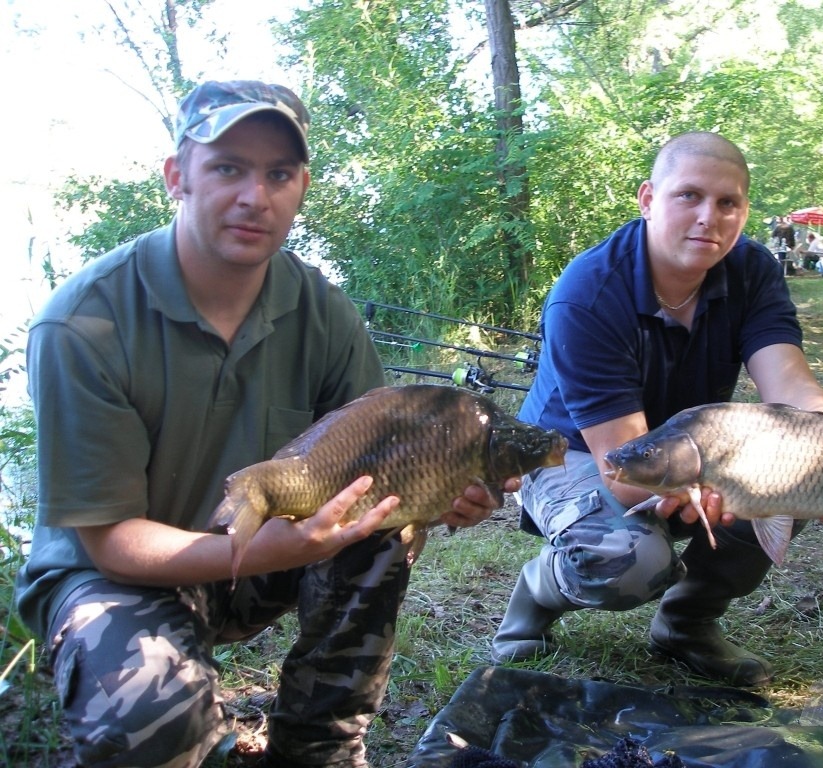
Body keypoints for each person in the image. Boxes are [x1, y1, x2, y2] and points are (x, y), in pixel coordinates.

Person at [15, 80, 516, 768]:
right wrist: (278, 549)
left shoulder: (324, 312)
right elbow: (111, 543)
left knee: (381, 530)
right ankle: (182, 726)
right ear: (176, 177)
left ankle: (319, 745)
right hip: (119, 577)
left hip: (269, 549)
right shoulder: (84, 323)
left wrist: (447, 492)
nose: (256, 196)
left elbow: (387, 465)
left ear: (302, 186)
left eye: (278, 174)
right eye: (227, 168)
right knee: (148, 717)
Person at [490, 132, 823, 687]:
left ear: (745, 210)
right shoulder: (587, 294)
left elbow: (790, 382)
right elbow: (624, 470)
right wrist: (704, 486)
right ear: (648, 199)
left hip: (687, 446)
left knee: (796, 472)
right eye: (689, 196)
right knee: (629, 560)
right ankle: (540, 590)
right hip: (577, 455)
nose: (710, 217)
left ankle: (686, 623)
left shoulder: (751, 270)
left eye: (728, 202)